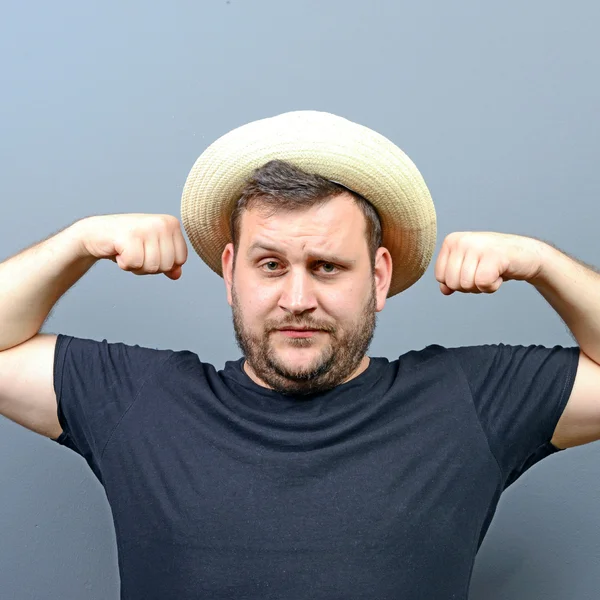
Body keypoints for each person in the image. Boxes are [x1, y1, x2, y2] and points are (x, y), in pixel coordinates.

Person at [0, 110, 598, 600]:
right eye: (270, 265)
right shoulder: (139, 399)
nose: (297, 298)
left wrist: (541, 263)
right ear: (231, 272)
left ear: (379, 278)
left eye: (327, 267)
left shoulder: (468, 399)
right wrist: (78, 244)